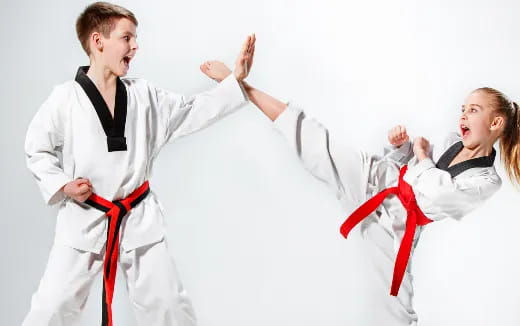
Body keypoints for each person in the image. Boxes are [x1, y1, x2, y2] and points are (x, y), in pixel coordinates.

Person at [200, 59, 520, 325]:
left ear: (495, 123)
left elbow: (441, 197)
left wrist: (422, 158)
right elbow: (413, 168)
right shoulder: (453, 137)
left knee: (395, 310)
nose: (463, 114)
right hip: (381, 178)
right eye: (463, 108)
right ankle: (243, 86)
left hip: (396, 229)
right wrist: (401, 148)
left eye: (473, 110)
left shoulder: (487, 180)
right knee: (314, 139)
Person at [23, 2, 255, 325]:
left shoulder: (144, 96)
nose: (135, 46)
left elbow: (191, 110)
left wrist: (235, 82)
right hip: (84, 218)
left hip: (137, 218)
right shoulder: (65, 99)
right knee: (52, 309)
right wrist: (63, 185)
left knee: (169, 306)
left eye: (135, 39)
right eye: (127, 38)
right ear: (97, 41)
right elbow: (37, 148)